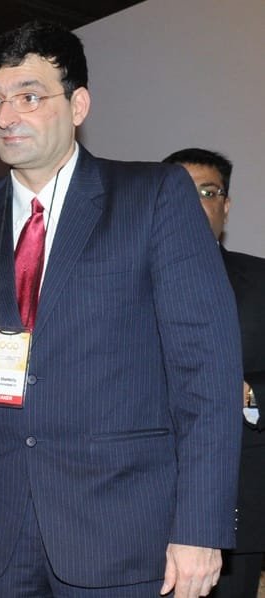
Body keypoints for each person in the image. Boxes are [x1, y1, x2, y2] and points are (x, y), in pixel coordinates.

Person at [0, 21, 242, 598]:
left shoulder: (153, 197)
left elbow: (205, 374)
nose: (6, 116)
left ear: (78, 104)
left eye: (30, 96)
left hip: (126, 534)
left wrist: (200, 528)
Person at [163, 148, 265, 598]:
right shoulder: (117, 284)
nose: (194, 203)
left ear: (225, 204)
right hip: (131, 509)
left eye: (207, 192)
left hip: (237, 507)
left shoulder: (261, 281)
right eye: (179, 193)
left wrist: (248, 393)